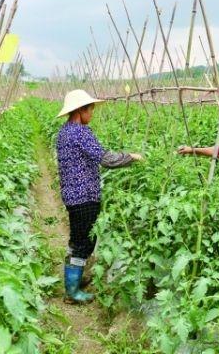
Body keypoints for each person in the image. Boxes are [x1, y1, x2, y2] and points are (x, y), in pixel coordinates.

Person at [56, 89, 143, 304]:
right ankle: (72, 293)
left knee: (78, 238)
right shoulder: (81, 133)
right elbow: (107, 159)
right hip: (84, 196)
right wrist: (131, 157)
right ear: (80, 111)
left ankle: (73, 281)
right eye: (90, 109)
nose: (92, 113)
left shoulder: (64, 132)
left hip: (71, 195)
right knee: (84, 242)